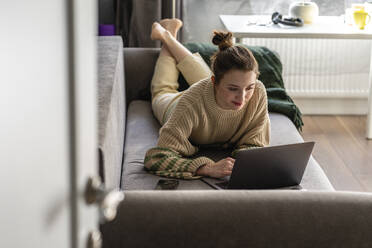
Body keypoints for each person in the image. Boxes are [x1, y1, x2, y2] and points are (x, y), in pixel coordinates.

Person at [144, 18, 270, 179]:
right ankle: (167, 37)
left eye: (249, 88)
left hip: (211, 93)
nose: (242, 97)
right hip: (173, 105)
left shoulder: (258, 91)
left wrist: (244, 161)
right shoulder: (189, 104)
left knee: (215, 77)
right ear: (214, 83)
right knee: (163, 88)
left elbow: (255, 143)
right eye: (233, 89)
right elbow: (155, 158)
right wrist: (205, 168)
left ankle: (167, 35)